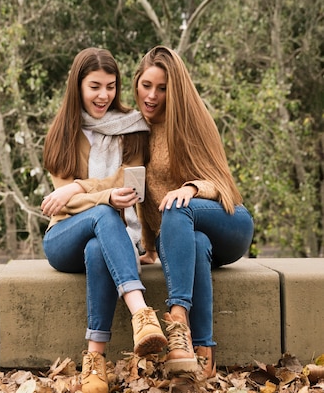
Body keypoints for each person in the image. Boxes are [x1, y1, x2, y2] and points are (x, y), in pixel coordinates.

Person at [41, 47, 167, 393]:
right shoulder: (62, 133)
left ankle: (94, 361)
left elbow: (132, 182)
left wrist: (85, 191)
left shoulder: (133, 128)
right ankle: (141, 313)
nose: (103, 95)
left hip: (116, 240)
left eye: (110, 86)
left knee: (99, 245)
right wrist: (102, 196)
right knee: (101, 212)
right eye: (95, 86)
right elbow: (63, 206)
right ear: (78, 86)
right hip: (63, 238)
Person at [131, 45, 255, 379]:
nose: (152, 95)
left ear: (175, 90)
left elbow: (226, 188)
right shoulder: (134, 131)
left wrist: (190, 188)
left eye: (162, 88)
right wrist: (149, 246)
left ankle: (177, 318)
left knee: (177, 208)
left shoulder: (193, 122)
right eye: (146, 85)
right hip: (184, 234)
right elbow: (140, 195)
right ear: (136, 84)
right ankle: (202, 352)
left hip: (228, 223)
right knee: (195, 243)